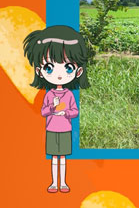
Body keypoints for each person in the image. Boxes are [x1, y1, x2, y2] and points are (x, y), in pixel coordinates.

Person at [23, 25, 90, 193]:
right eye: (49, 68)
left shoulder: (68, 95)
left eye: (68, 67)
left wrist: (65, 113)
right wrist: (52, 108)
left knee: (64, 159)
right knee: (54, 158)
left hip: (65, 129)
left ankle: (64, 183)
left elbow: (74, 112)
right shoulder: (48, 94)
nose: (59, 74)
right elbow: (43, 112)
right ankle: (54, 183)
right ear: (39, 71)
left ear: (78, 70)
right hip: (51, 129)